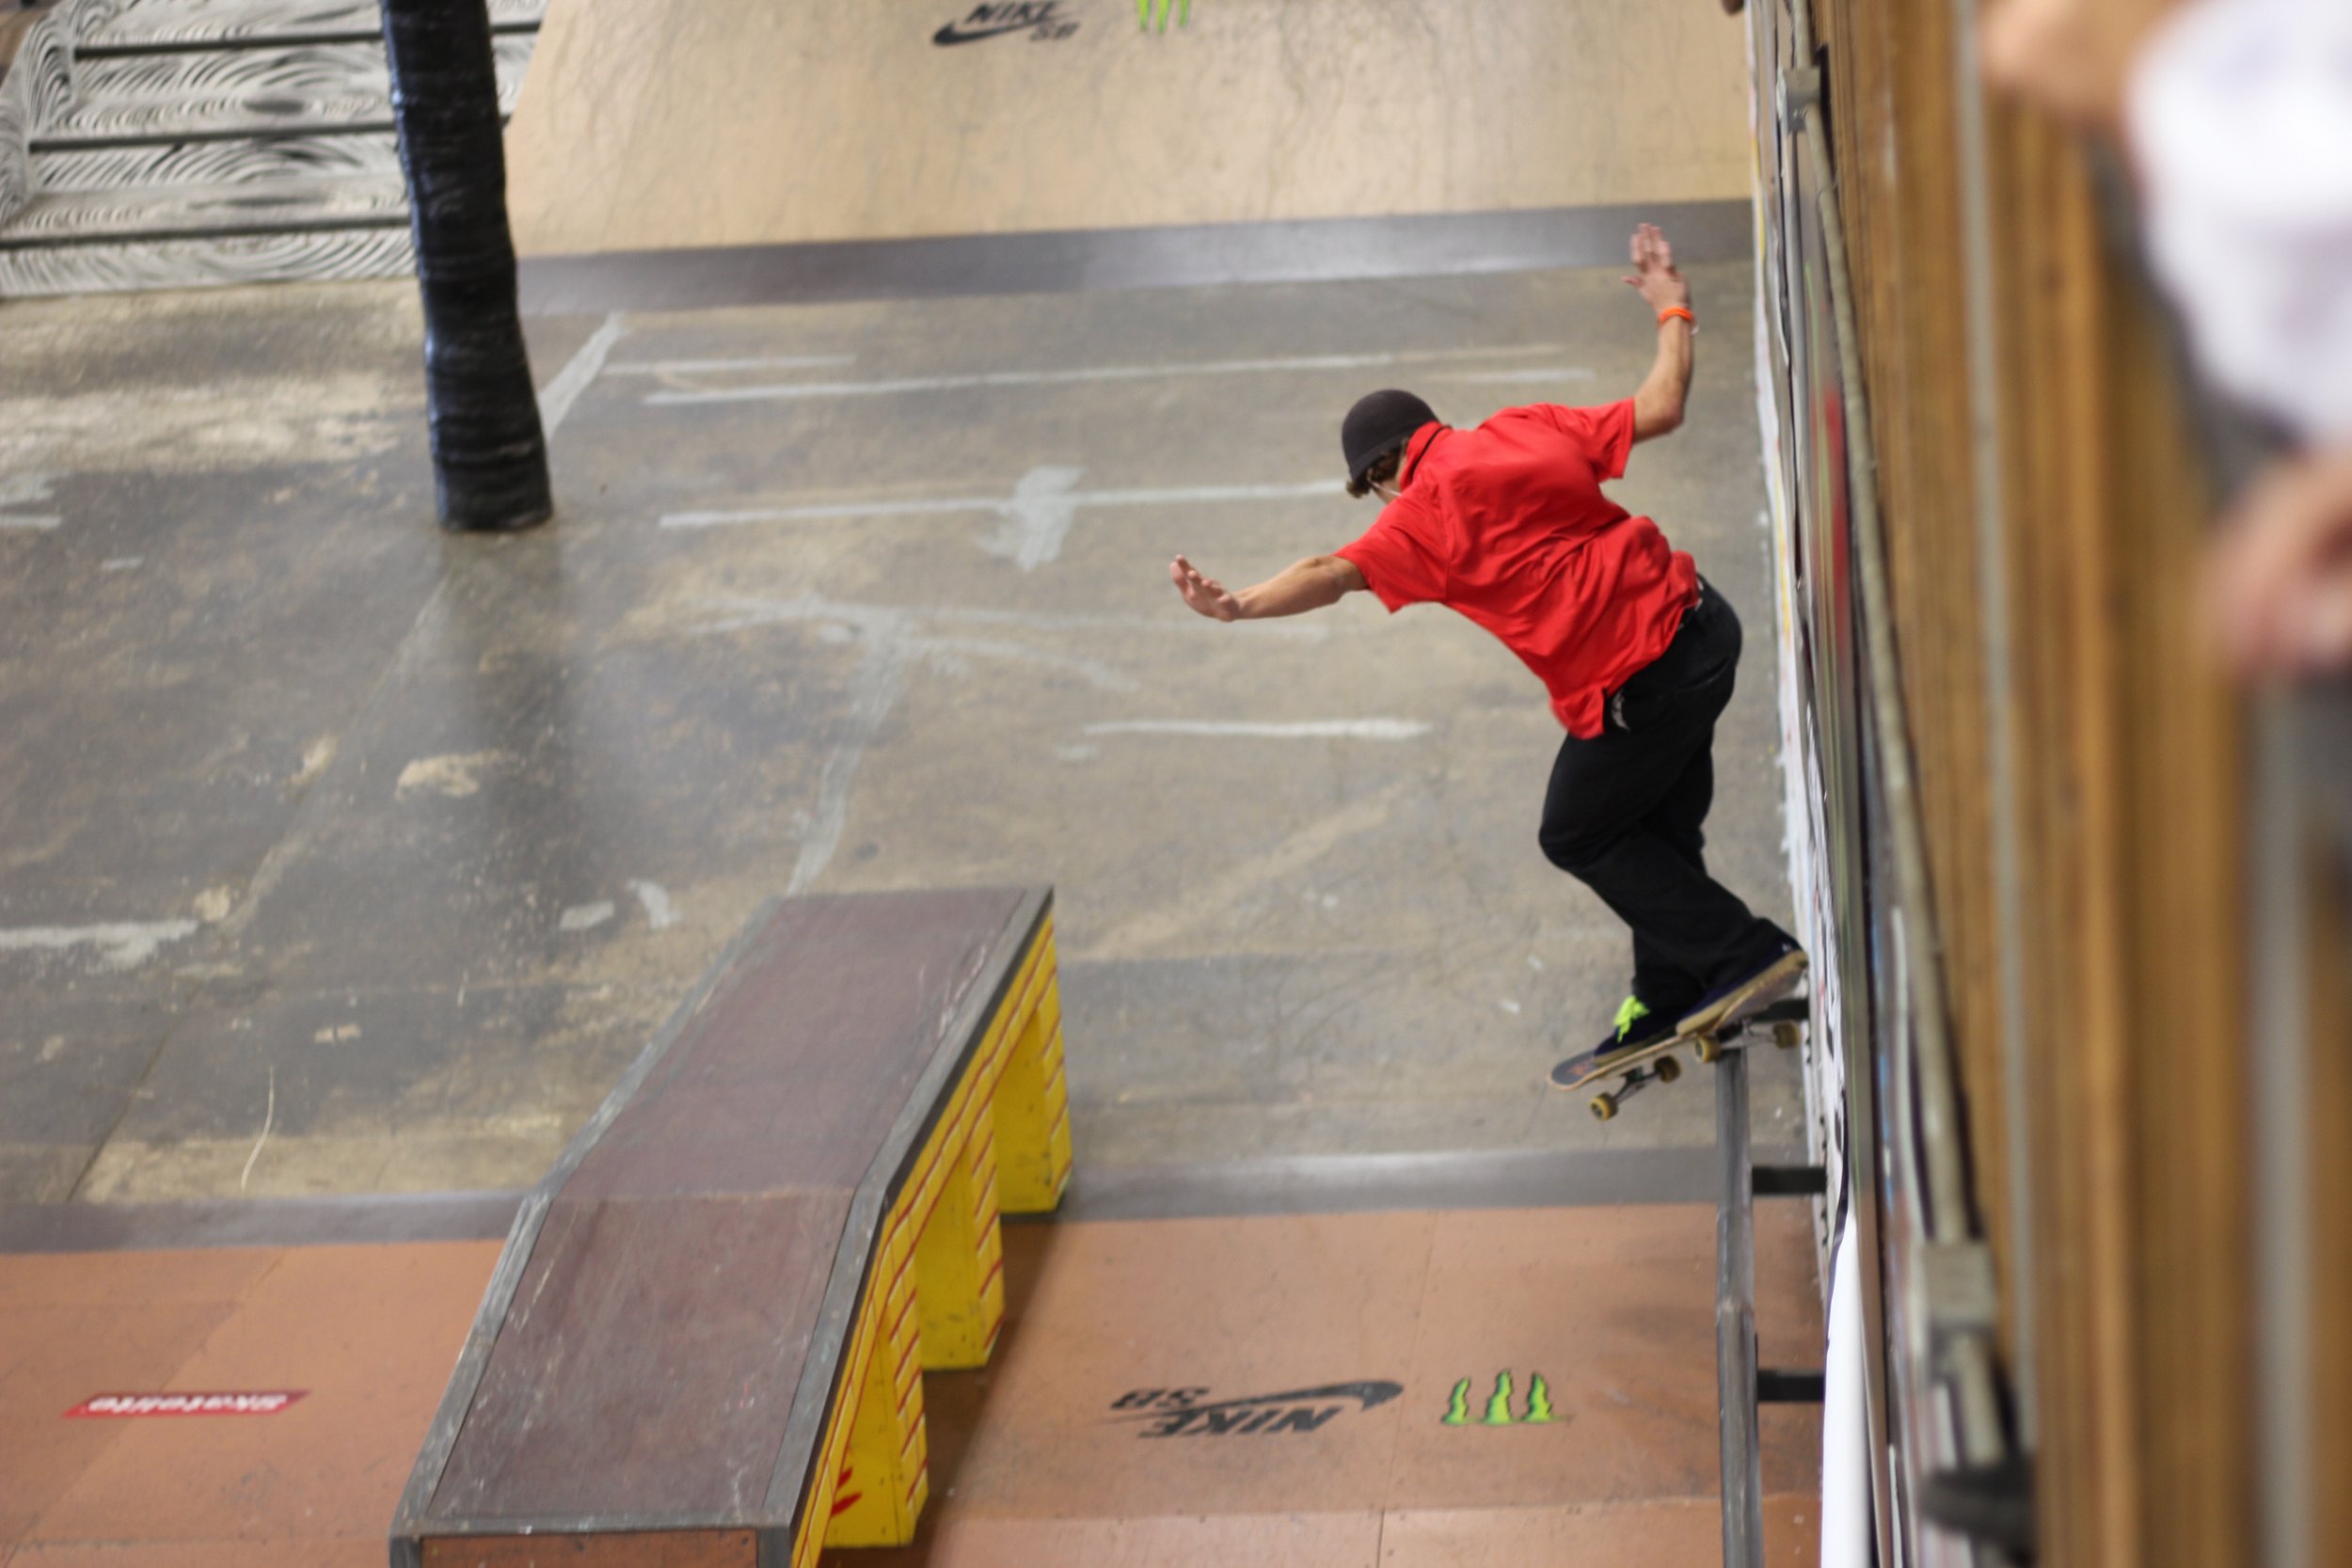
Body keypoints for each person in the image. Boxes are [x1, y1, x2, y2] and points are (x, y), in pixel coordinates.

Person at [1168, 224, 1805, 1069]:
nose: (1378, 500)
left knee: (1574, 832)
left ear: (1384, 470)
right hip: (1706, 628)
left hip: (1640, 683)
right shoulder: (1524, 426)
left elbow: (1330, 570)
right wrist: (1672, 306)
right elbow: (1663, 406)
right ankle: (1674, 985)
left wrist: (1240, 604)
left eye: (1371, 486)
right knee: (1649, 825)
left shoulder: (1415, 517)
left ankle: (1742, 952)